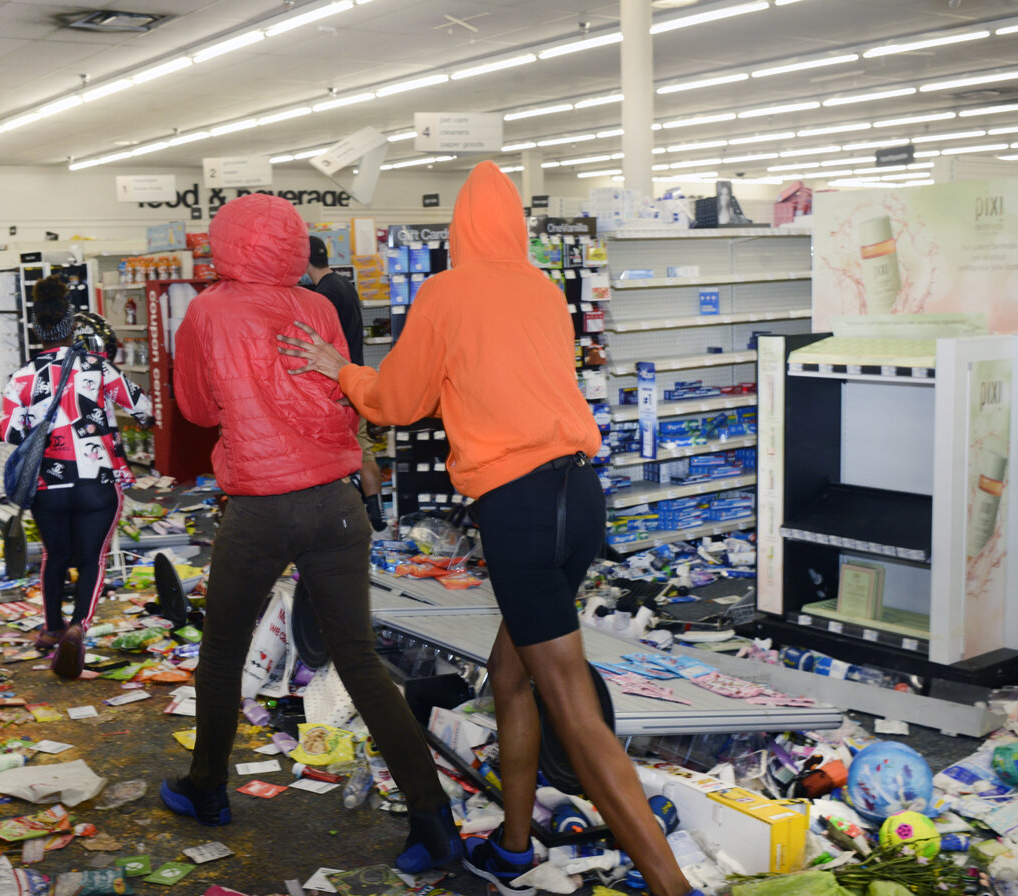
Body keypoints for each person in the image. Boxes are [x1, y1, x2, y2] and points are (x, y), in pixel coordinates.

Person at [277, 161, 702, 896]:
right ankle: (513, 846)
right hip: (579, 495)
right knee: (511, 674)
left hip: (520, 508)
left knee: (571, 706)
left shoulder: (446, 292)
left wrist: (339, 369)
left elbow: (398, 402)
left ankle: (673, 887)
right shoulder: (542, 290)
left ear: (461, 228)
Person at [162, 193, 461, 874]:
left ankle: (207, 787)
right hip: (337, 501)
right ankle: (434, 817)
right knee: (358, 659)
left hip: (261, 506)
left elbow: (197, 408)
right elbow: (343, 388)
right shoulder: (320, 305)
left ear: (225, 243)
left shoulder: (208, 310)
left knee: (222, 652)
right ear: (296, 243)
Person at [0, 276, 153, 679]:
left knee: (55, 555)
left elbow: (10, 434)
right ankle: (77, 627)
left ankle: (51, 627)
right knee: (92, 558)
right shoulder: (99, 367)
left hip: (48, 485)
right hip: (97, 481)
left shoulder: (20, 378)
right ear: (72, 327)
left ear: (37, 330)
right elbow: (143, 407)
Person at [304, 235, 386, 533]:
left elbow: (321, 343)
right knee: (364, 448)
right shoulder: (343, 285)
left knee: (336, 454)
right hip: (357, 376)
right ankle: (377, 516)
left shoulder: (323, 294)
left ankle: (345, 519)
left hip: (337, 383)